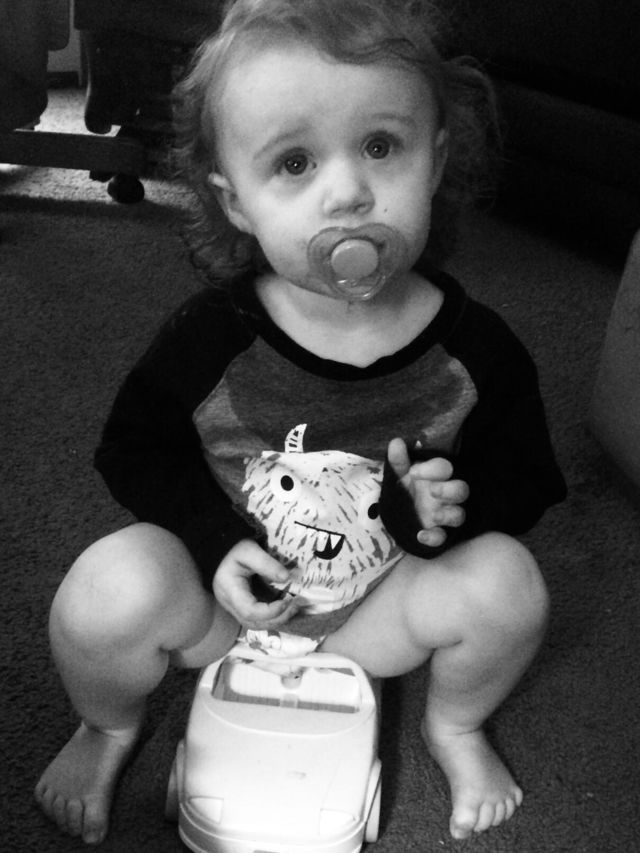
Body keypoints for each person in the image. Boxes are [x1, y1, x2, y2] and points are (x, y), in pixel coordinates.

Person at [35, 0, 567, 845]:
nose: (348, 191)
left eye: (381, 146)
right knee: (106, 588)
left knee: (509, 584)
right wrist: (212, 543)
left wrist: (445, 508)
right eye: (293, 162)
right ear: (237, 202)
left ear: (434, 160)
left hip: (381, 612)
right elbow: (131, 451)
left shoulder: (479, 350)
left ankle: (456, 724)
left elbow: (529, 479)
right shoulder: (210, 337)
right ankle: (105, 726)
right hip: (230, 612)